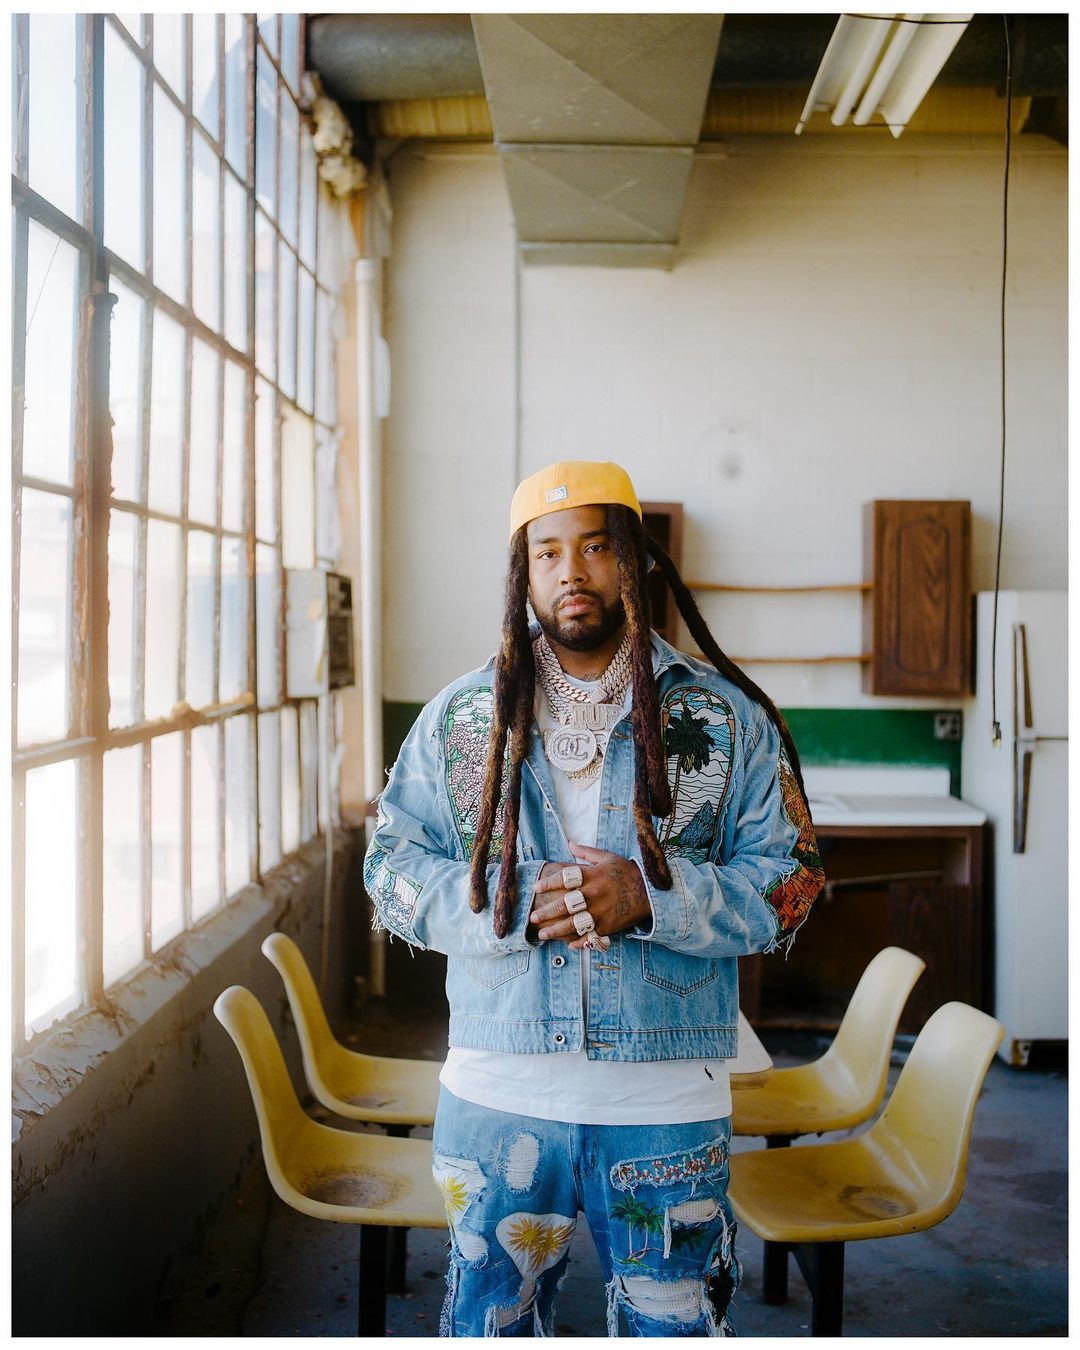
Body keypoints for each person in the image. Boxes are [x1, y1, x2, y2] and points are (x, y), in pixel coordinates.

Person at [364, 460, 825, 1337]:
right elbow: (389, 864)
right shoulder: (465, 719)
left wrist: (656, 898)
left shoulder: (724, 720)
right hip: (497, 1091)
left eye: (596, 546)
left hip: (666, 1106)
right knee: (489, 1329)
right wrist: (500, 904)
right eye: (547, 552)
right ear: (522, 573)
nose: (570, 571)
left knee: (673, 1330)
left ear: (636, 563)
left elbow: (795, 876)